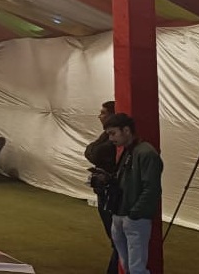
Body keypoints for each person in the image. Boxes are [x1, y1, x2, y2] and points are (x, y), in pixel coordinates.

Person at [104, 113, 163, 274]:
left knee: (136, 268)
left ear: (126, 130)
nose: (111, 138)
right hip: (121, 213)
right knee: (128, 266)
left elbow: (152, 188)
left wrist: (134, 214)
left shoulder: (146, 153)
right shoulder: (129, 151)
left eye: (113, 133)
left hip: (134, 217)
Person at [85, 101, 120, 274]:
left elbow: (95, 152)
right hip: (103, 190)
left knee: (118, 238)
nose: (100, 116)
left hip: (111, 193)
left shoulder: (112, 140)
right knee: (115, 237)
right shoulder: (105, 136)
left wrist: (94, 150)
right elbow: (90, 151)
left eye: (103, 113)